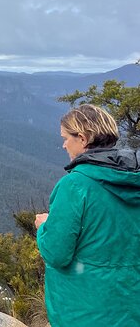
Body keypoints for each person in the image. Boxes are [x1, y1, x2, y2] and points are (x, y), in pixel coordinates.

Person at [34, 104, 140, 327]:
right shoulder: (134, 181)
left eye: (66, 137)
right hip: (130, 306)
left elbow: (57, 254)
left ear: (82, 139)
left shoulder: (74, 185)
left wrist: (44, 226)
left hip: (85, 310)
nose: (63, 144)